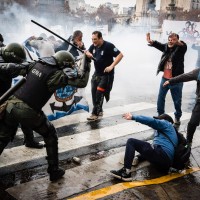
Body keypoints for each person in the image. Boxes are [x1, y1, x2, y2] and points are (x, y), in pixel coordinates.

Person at [0, 50, 90, 181]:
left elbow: (10, 68)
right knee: (50, 134)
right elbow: (82, 82)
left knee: (2, 138)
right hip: (27, 110)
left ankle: (29, 141)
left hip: (10, 105)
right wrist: (88, 62)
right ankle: (54, 171)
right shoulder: (57, 74)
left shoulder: (36, 64)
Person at [110, 113, 178, 181]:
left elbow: (151, 121)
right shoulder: (171, 133)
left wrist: (133, 117)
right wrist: (139, 157)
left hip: (162, 156)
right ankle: (137, 158)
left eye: (159, 120)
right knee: (148, 146)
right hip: (165, 164)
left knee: (131, 142)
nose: (158, 121)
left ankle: (126, 172)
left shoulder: (166, 124)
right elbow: (151, 150)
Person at [0, 42, 43, 148]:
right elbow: (7, 67)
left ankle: (29, 140)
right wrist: (27, 66)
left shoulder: (7, 50)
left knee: (21, 109)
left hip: (5, 91)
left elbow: (18, 60)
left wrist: (36, 64)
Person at [146, 32, 187, 126]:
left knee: (177, 100)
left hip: (176, 79)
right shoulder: (166, 47)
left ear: (177, 40)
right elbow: (159, 45)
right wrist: (151, 41)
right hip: (165, 79)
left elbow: (183, 45)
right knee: (160, 98)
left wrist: (177, 42)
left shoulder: (181, 49)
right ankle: (160, 115)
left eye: (173, 40)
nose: (170, 41)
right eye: (169, 40)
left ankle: (177, 116)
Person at [85, 31, 123, 121]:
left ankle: (95, 113)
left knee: (99, 93)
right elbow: (87, 53)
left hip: (107, 75)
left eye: (95, 39)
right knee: (93, 92)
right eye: (92, 39)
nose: (93, 41)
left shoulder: (108, 46)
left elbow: (120, 55)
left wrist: (111, 66)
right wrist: (88, 55)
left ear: (101, 38)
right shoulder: (93, 46)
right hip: (97, 74)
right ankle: (99, 110)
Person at [163, 67, 200, 147]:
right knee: (192, 123)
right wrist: (170, 81)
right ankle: (188, 142)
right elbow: (184, 76)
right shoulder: (198, 72)